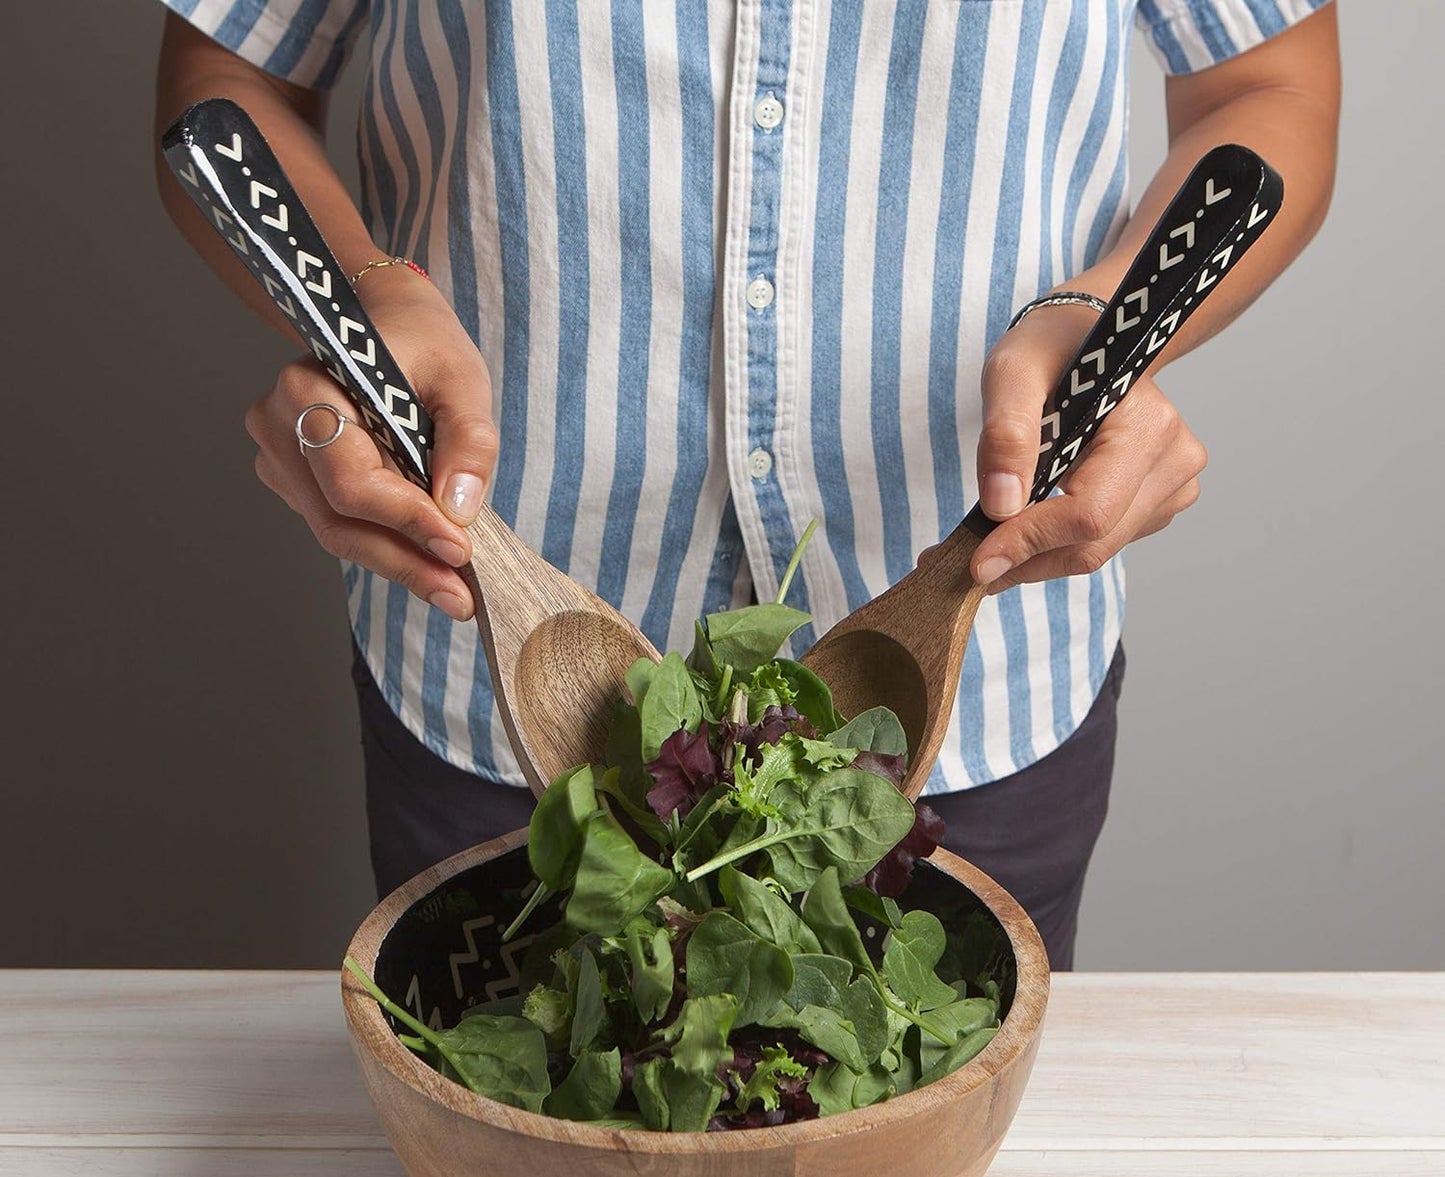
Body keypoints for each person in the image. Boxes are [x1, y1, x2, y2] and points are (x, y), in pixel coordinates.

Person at [155, 0, 1340, 971]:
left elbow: (1267, 84)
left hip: (974, 685)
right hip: (493, 670)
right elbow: (230, 75)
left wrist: (1106, 320)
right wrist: (365, 291)